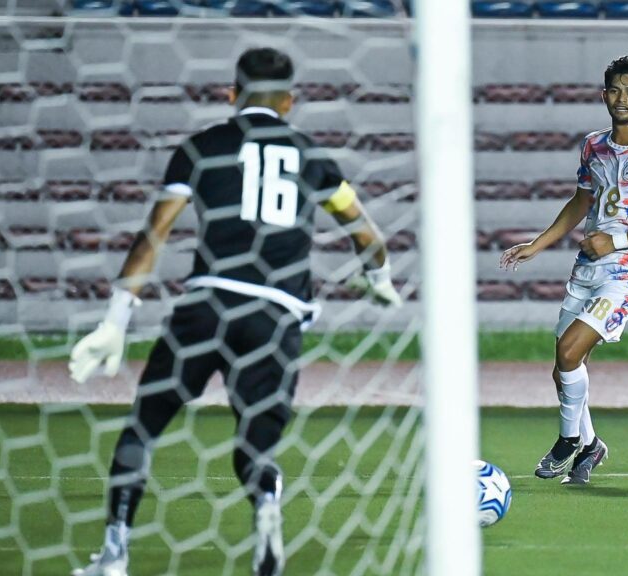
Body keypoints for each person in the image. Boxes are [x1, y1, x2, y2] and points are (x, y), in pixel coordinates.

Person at [68, 47, 402, 576]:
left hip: (206, 306)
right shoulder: (310, 154)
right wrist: (377, 278)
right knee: (254, 445)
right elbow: (365, 233)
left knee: (143, 428)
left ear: (231, 95)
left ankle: (113, 555)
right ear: (289, 101)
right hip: (275, 316)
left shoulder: (202, 147)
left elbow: (153, 235)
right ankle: (266, 507)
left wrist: (115, 321)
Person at [500, 55, 628, 485]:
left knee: (568, 352)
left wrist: (615, 240)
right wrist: (538, 244)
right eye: (615, 90)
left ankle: (568, 441)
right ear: (604, 96)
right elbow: (581, 201)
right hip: (588, 268)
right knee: (564, 365)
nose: (622, 99)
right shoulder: (594, 145)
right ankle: (591, 446)